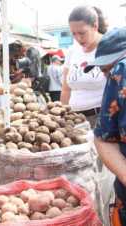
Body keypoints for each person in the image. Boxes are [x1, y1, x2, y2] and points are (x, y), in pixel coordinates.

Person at [84, 27, 126, 224]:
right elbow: (104, 139)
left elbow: (102, 139)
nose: (106, 77)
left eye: (106, 70)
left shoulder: (121, 70)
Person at [60, 6, 108, 127]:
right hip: (74, 119)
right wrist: (63, 116)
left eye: (82, 33)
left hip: (102, 118)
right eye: (73, 34)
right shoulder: (72, 51)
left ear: (95, 26)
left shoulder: (109, 48)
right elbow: (66, 89)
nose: (78, 38)